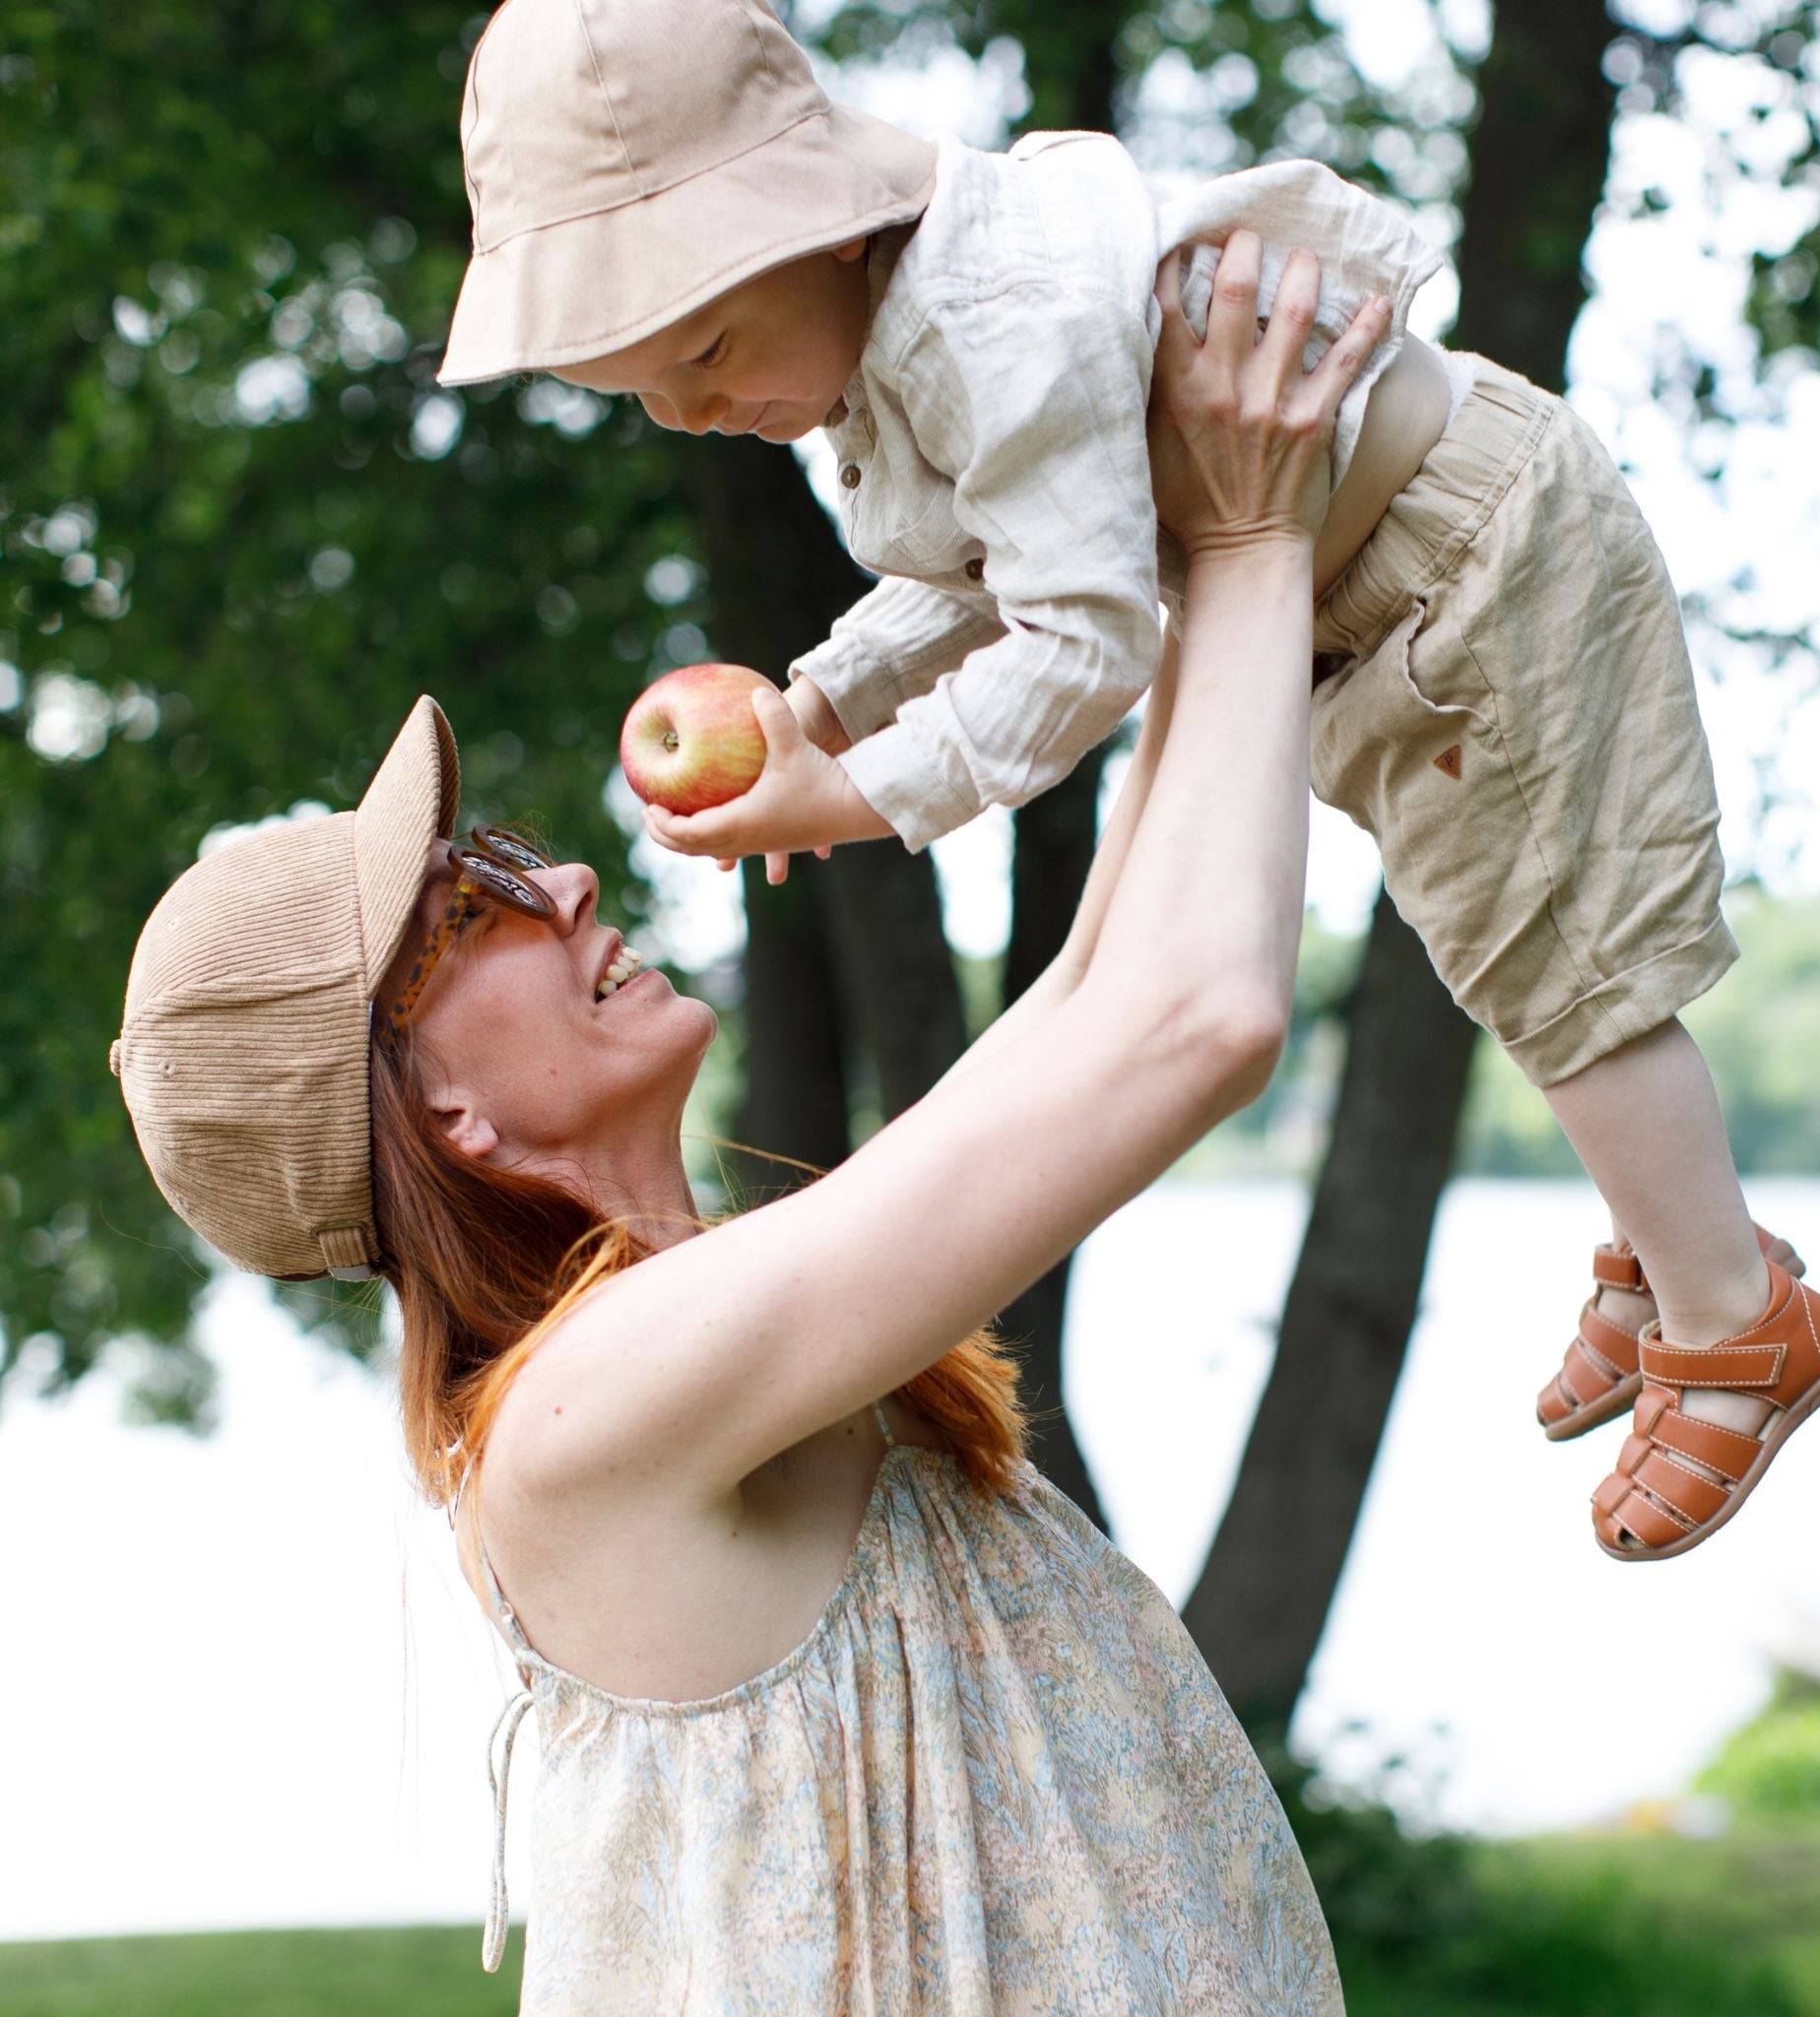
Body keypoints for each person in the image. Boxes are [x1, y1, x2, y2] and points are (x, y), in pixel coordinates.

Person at [431, 0, 1820, 1562]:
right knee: (1503, 952)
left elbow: (1083, 644)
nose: (689, 410)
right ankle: (1671, 1241)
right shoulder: (909, 335)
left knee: (1561, 967)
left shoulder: (1000, 321)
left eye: (702, 351)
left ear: (832, 232)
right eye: (638, 389)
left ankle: (1741, 1315)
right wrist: (827, 704)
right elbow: (996, 558)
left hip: (1464, 563)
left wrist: (850, 800)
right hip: (1372, 599)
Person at [110, 247, 1374, 2011]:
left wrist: (1155, 556)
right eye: (469, 911)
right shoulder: (580, 1421)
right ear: (443, 1117)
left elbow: (1100, 997)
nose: (557, 877)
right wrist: (1248, 542)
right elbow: (1195, 1020)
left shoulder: (705, 1337)